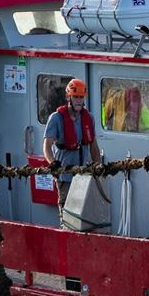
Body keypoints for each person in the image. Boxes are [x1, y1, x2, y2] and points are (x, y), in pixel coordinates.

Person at [43, 78, 101, 218]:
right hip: (65, 177)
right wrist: (53, 163)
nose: (79, 100)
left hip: (84, 176)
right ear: (68, 96)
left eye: (81, 97)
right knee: (68, 216)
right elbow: (47, 146)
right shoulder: (56, 118)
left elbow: (93, 146)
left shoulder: (89, 118)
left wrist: (99, 168)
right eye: (75, 97)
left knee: (84, 216)